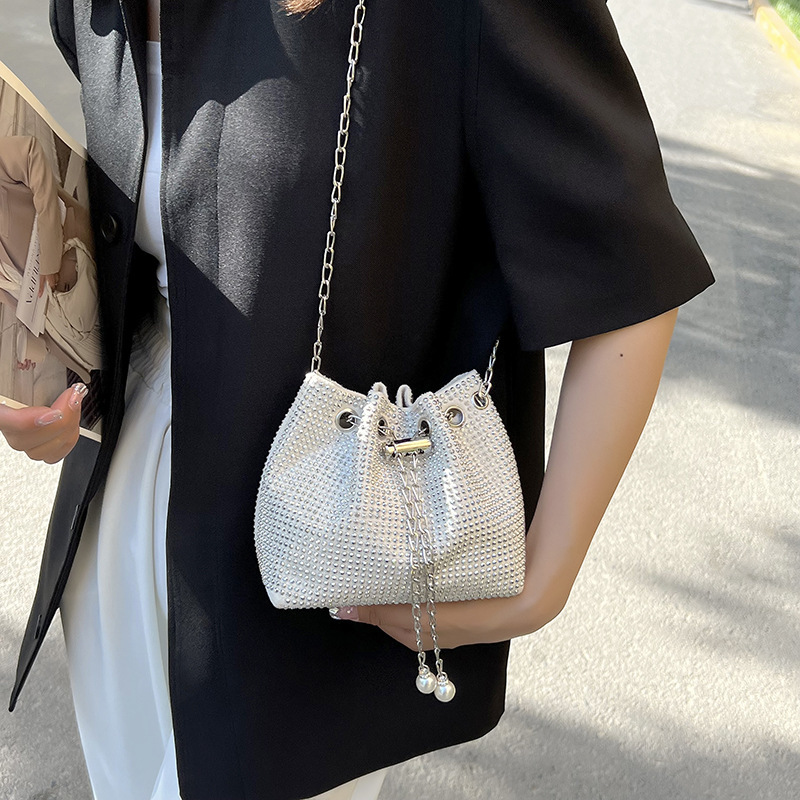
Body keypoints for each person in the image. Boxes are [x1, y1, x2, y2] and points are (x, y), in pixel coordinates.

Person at [3, 1, 714, 799]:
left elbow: (630, 270)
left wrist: (544, 578)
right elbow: (141, 227)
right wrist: (56, 376)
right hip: (116, 525)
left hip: (312, 572)